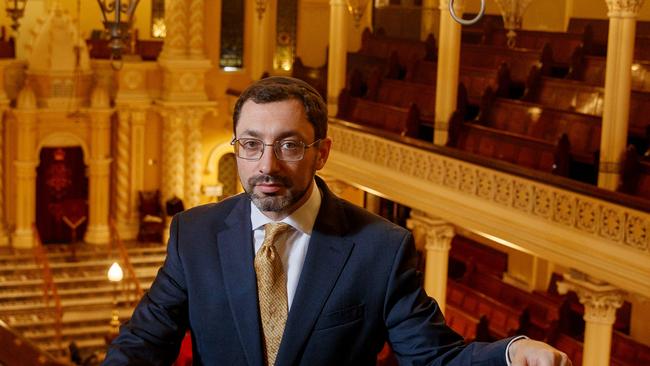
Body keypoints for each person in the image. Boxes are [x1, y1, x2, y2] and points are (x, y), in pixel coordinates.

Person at [104, 76, 570, 366]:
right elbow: (145, 341)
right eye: (250, 144)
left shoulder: (379, 249)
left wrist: (511, 354)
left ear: (321, 153)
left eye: (288, 145)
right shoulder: (195, 234)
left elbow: (434, 356)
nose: (266, 164)